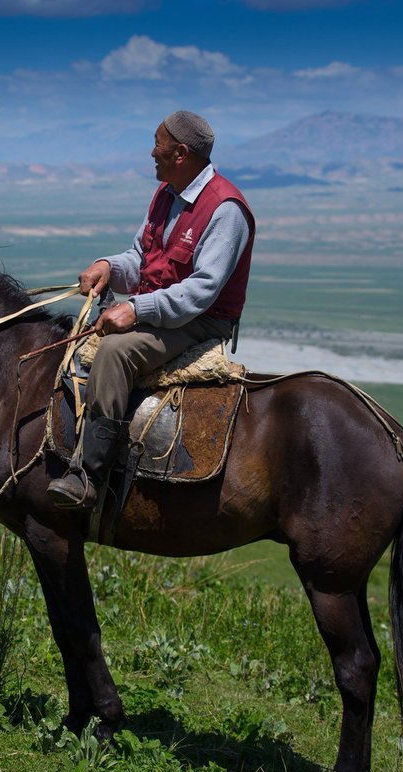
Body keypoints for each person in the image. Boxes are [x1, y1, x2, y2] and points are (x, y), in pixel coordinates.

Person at [47, 110, 256, 511]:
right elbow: (141, 259)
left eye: (157, 144)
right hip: (161, 310)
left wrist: (136, 310)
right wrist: (108, 266)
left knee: (114, 352)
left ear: (179, 153)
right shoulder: (165, 194)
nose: (151, 152)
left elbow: (202, 291)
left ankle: (89, 476)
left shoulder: (225, 209)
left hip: (200, 321)